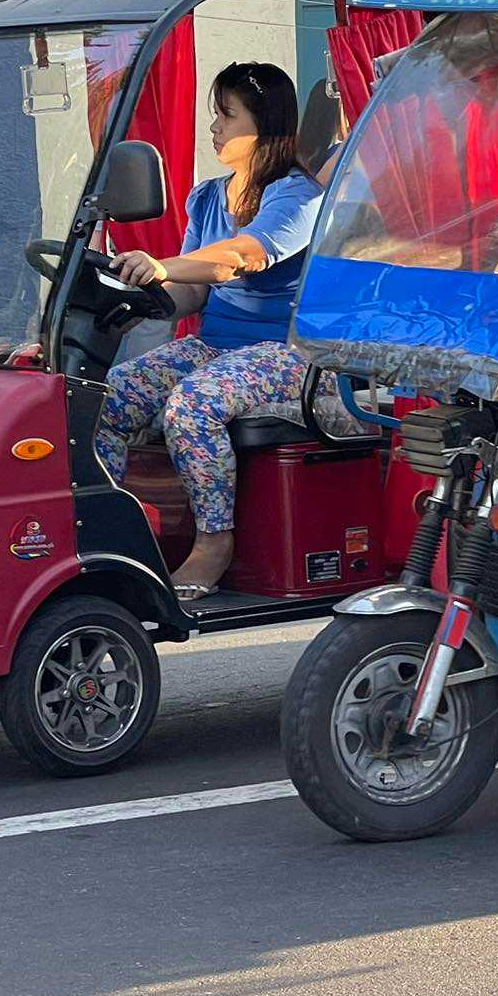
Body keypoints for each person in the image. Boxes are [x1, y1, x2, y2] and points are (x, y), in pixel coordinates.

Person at [93, 62, 324, 600]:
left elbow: (241, 258)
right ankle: (115, 539)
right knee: (107, 396)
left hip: (290, 354)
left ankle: (213, 542)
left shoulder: (298, 196)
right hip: (214, 343)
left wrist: (165, 263)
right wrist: (130, 295)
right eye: (214, 114)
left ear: (263, 125)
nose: (214, 127)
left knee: (192, 403)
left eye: (226, 115)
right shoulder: (206, 197)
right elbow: (193, 294)